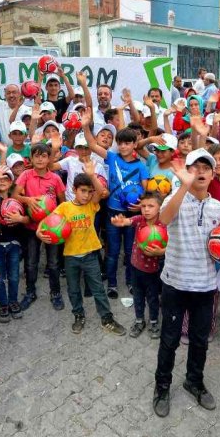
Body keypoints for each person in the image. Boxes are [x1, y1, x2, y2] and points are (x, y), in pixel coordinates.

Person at [152, 150, 220, 418]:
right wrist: (183, 186)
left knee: (200, 341)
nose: (200, 171)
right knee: (169, 340)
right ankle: (162, 386)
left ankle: (194, 381)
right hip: (175, 283)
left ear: (212, 174)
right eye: (194, 167)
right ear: (186, 172)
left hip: (206, 287)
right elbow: (164, 219)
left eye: (205, 167)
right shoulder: (174, 200)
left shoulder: (219, 209)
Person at [52, 167, 126, 336]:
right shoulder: (64, 207)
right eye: (83, 191)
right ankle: (78, 315)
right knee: (73, 290)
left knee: (98, 289)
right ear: (74, 190)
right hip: (70, 257)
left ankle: (107, 319)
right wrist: (39, 232)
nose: (86, 195)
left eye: (89, 191)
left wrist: (92, 175)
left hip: (91, 255)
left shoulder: (92, 205)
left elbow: (101, 192)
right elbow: (49, 222)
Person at [83, 115, 150, 299]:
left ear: (134, 144)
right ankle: (112, 284)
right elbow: (92, 144)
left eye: (127, 143)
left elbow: (146, 191)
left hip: (130, 215)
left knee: (129, 250)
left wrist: (140, 205)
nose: (123, 146)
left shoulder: (141, 167)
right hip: (113, 212)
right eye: (120, 143)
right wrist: (85, 127)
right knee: (112, 251)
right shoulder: (112, 157)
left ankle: (130, 282)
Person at [14, 143, 66, 310]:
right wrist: (28, 200)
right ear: (31, 158)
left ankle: (55, 293)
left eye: (44, 156)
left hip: (51, 228)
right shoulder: (26, 175)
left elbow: (62, 202)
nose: (40, 159)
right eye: (36, 156)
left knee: (54, 263)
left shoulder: (55, 178)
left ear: (49, 159)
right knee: (31, 262)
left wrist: (55, 219)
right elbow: (14, 194)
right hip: (31, 227)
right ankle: (30, 293)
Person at [112, 192, 165, 339]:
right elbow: (128, 221)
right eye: (143, 206)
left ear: (160, 208)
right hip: (135, 267)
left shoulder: (163, 225)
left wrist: (161, 251)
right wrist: (120, 221)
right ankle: (139, 321)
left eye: (151, 206)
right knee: (138, 296)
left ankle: (154, 322)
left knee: (153, 298)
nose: (146, 209)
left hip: (153, 270)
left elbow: (172, 245)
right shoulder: (139, 220)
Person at [0, 165, 28, 322]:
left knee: (14, 276)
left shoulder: (17, 198)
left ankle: (13, 301)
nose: (2, 181)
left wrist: (20, 219)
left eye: (5, 179)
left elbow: (29, 219)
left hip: (14, 244)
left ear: (11, 182)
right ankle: (3, 304)